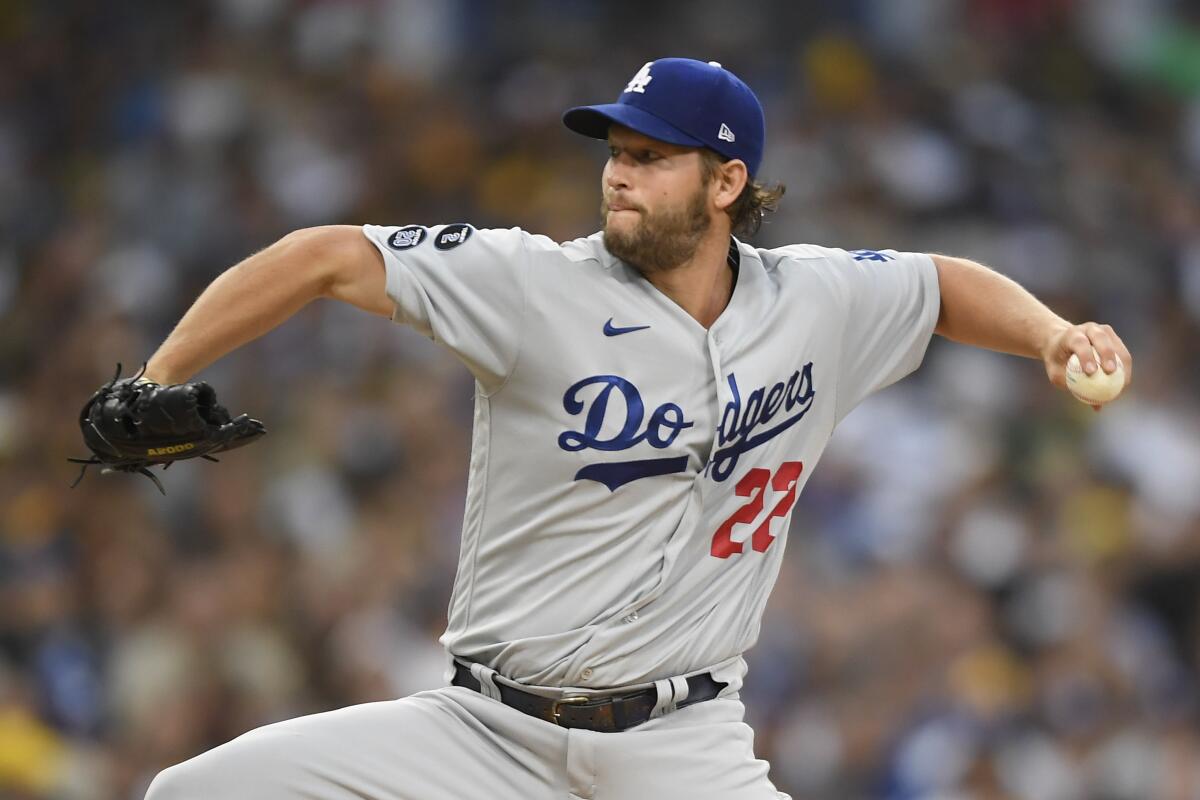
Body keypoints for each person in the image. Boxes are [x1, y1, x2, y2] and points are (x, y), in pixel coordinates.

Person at [139, 58, 1131, 800]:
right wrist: (159, 376)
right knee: (191, 792)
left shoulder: (815, 300)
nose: (617, 174)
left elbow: (941, 282)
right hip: (483, 732)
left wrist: (1049, 334)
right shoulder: (532, 282)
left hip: (681, 745)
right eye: (616, 152)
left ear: (726, 183)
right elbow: (326, 254)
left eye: (651, 157)